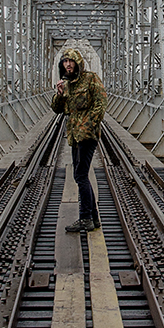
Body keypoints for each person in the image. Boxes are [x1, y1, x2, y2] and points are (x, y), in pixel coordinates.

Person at [50, 48, 107, 232]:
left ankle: (85, 218)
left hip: (87, 135)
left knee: (81, 176)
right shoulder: (66, 85)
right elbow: (57, 109)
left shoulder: (90, 79)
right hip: (74, 136)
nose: (68, 64)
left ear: (78, 63)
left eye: (71, 61)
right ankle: (94, 218)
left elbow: (101, 103)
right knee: (80, 175)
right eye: (65, 61)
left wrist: (89, 124)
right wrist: (59, 94)